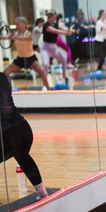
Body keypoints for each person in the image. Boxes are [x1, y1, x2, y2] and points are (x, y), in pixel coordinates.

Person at [0, 71, 48, 200]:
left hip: (8, 136)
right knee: (23, 157)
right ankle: (42, 193)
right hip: (24, 130)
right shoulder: (3, 76)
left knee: (21, 156)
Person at [1, 17, 50, 90]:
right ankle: (9, 92)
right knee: (5, 73)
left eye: (18, 23)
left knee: (42, 73)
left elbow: (22, 38)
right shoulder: (15, 34)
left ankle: (49, 90)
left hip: (31, 58)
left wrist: (14, 37)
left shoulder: (28, 34)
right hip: (19, 59)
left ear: (24, 24)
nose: (17, 25)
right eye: (16, 24)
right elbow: (3, 37)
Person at [40, 9, 72, 80]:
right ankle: (44, 82)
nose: (55, 19)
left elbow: (62, 27)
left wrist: (69, 30)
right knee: (46, 64)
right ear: (50, 17)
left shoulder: (55, 24)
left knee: (64, 59)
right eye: (54, 17)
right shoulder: (46, 26)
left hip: (53, 49)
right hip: (45, 49)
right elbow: (55, 31)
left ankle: (64, 77)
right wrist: (65, 33)